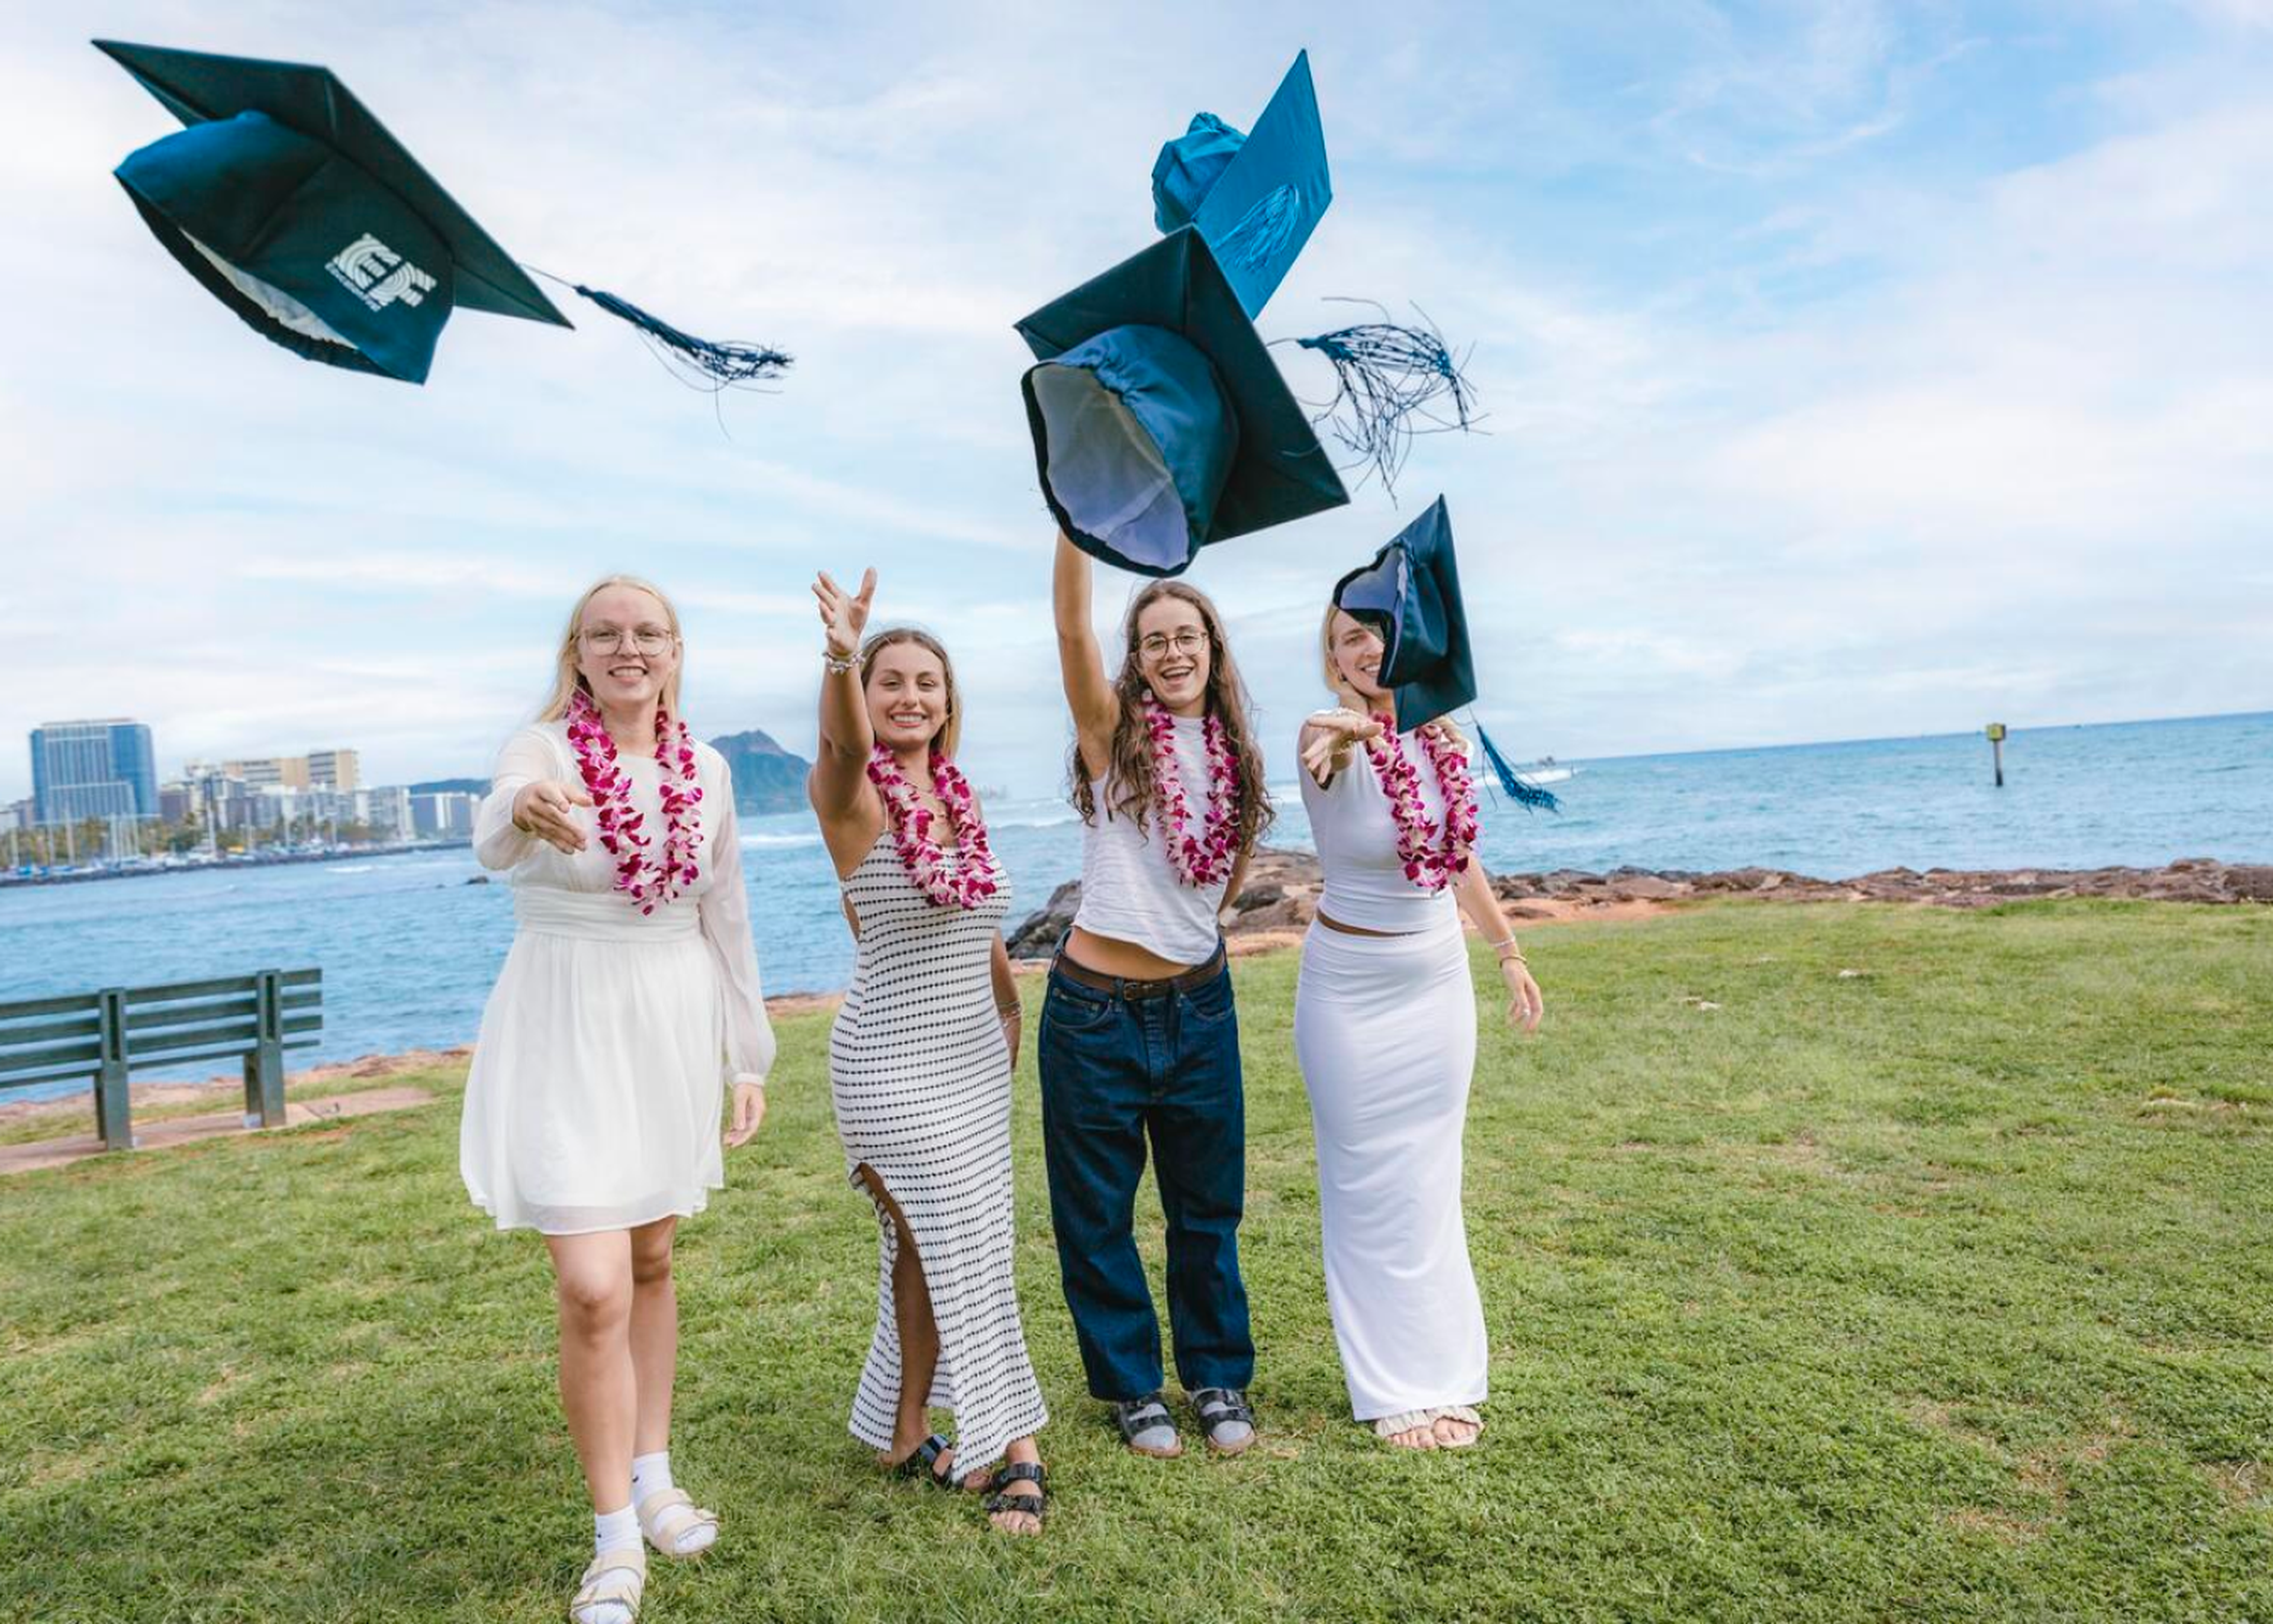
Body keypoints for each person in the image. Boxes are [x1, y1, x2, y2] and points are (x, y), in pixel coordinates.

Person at [461, 575, 772, 1624]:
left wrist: (746, 1057)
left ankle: (654, 1476)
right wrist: (523, 809)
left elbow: (726, 913)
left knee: (650, 1260)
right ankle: (613, 1540)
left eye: (648, 633)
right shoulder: (544, 750)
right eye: (606, 634)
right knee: (594, 1286)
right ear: (579, 655)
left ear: (675, 651)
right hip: (566, 1022)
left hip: (669, 1022)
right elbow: (497, 825)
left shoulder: (709, 769)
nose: (628, 648)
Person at [806, 567, 1049, 1534]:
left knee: (924, 1246)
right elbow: (841, 743)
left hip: (972, 1061)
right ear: (866, 697)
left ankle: (906, 1429)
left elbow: (976, 922)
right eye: (889, 681)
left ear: (949, 702)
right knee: (966, 1243)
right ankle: (1014, 1445)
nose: (909, 697)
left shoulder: (959, 796)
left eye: (927, 683)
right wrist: (839, 655)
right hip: (888, 1065)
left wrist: (1011, 1012)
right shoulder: (851, 796)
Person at [1292, 603, 1545, 1451]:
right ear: (1333, 661)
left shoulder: (1444, 743)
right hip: (1348, 991)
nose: (1368, 648)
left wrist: (1507, 951)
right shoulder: (1322, 735)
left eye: (1379, 631)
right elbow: (1330, 750)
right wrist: (1355, 734)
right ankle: (1391, 1388)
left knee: (1434, 1178)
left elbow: (1457, 857)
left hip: (1436, 982)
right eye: (1349, 639)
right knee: (1364, 1184)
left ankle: (1447, 1375)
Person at [1039, 530, 1270, 1458]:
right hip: (1093, 1014)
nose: (1173, 652)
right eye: (1154, 640)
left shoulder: (1239, 756)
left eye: (1188, 636)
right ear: (1135, 659)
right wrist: (1075, 521)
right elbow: (1070, 630)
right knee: (1097, 1216)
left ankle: (1216, 1376)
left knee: (1207, 1208)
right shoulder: (1112, 740)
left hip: (1200, 1007)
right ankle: (1134, 1389)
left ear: (1212, 649)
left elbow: (1224, 883)